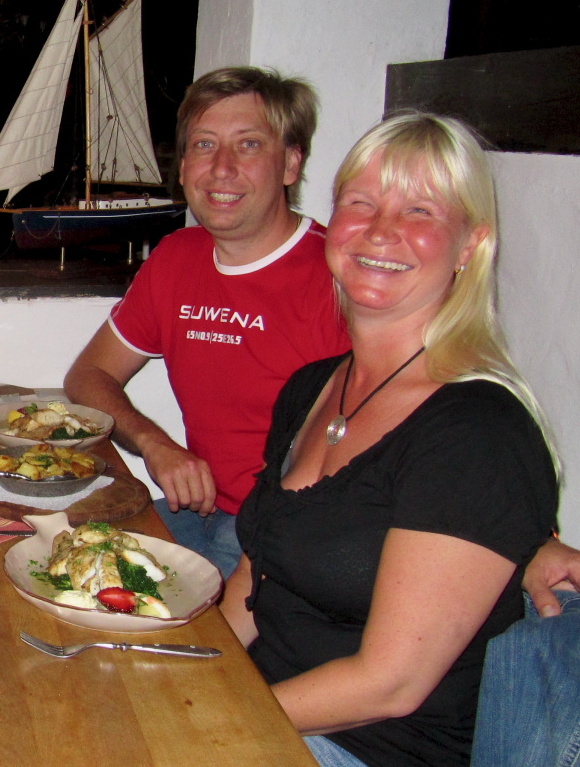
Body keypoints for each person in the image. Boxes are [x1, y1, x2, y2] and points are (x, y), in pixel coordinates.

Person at [219, 113, 558, 767]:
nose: (380, 230)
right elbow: (248, 589)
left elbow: (391, 684)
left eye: (420, 210)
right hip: (259, 712)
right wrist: (182, 678)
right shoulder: (313, 387)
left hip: (361, 750)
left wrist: (213, 713)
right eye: (360, 203)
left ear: (471, 244)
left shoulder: (478, 432)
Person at [64, 66, 350, 577]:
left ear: (290, 162)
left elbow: (431, 416)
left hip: (285, 532)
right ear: (181, 167)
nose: (220, 168)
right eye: (203, 144)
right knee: (63, 557)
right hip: (200, 512)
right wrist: (157, 445)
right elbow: (87, 376)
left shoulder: (341, 277)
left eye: (248, 145)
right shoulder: (177, 258)